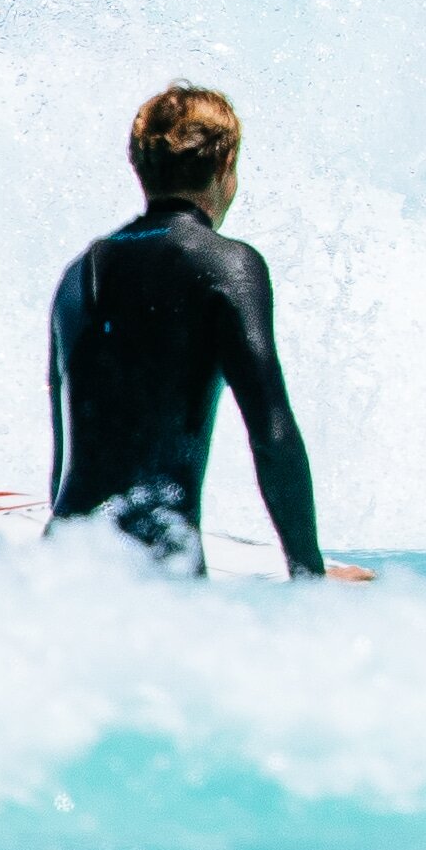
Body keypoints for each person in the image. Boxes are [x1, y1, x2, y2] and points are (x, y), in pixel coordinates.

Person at [47, 81, 361, 580]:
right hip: (157, 569)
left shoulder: (78, 271)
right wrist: (310, 575)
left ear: (141, 168)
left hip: (67, 557)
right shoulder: (228, 265)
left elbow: (65, 453)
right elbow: (271, 431)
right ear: (225, 169)